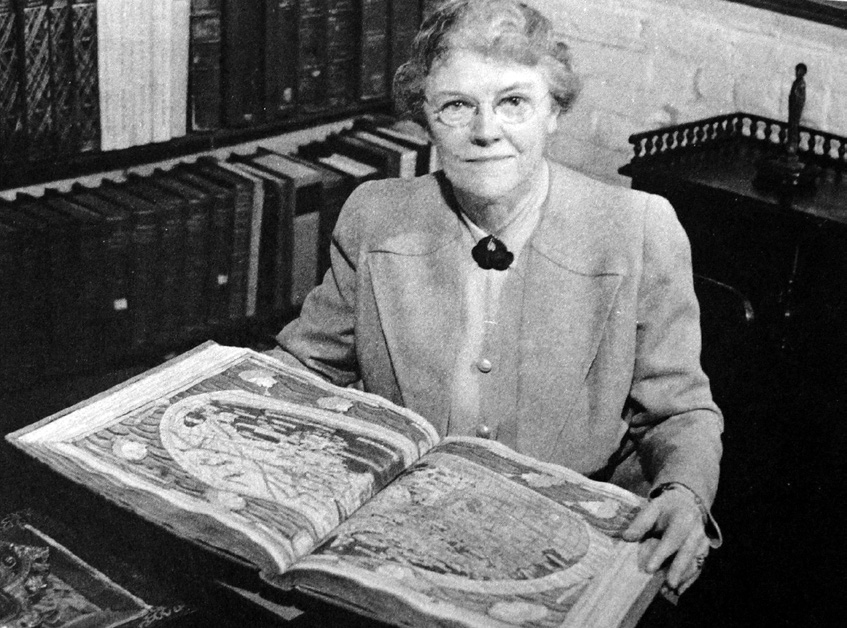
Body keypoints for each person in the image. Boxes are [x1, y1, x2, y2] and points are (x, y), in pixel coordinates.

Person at [271, 0, 721, 599]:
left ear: (554, 112)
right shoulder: (377, 216)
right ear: (425, 121)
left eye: (514, 102)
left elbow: (680, 413)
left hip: (564, 548)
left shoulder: (638, 228)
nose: (486, 131)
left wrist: (684, 496)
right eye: (457, 106)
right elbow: (303, 368)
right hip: (402, 538)